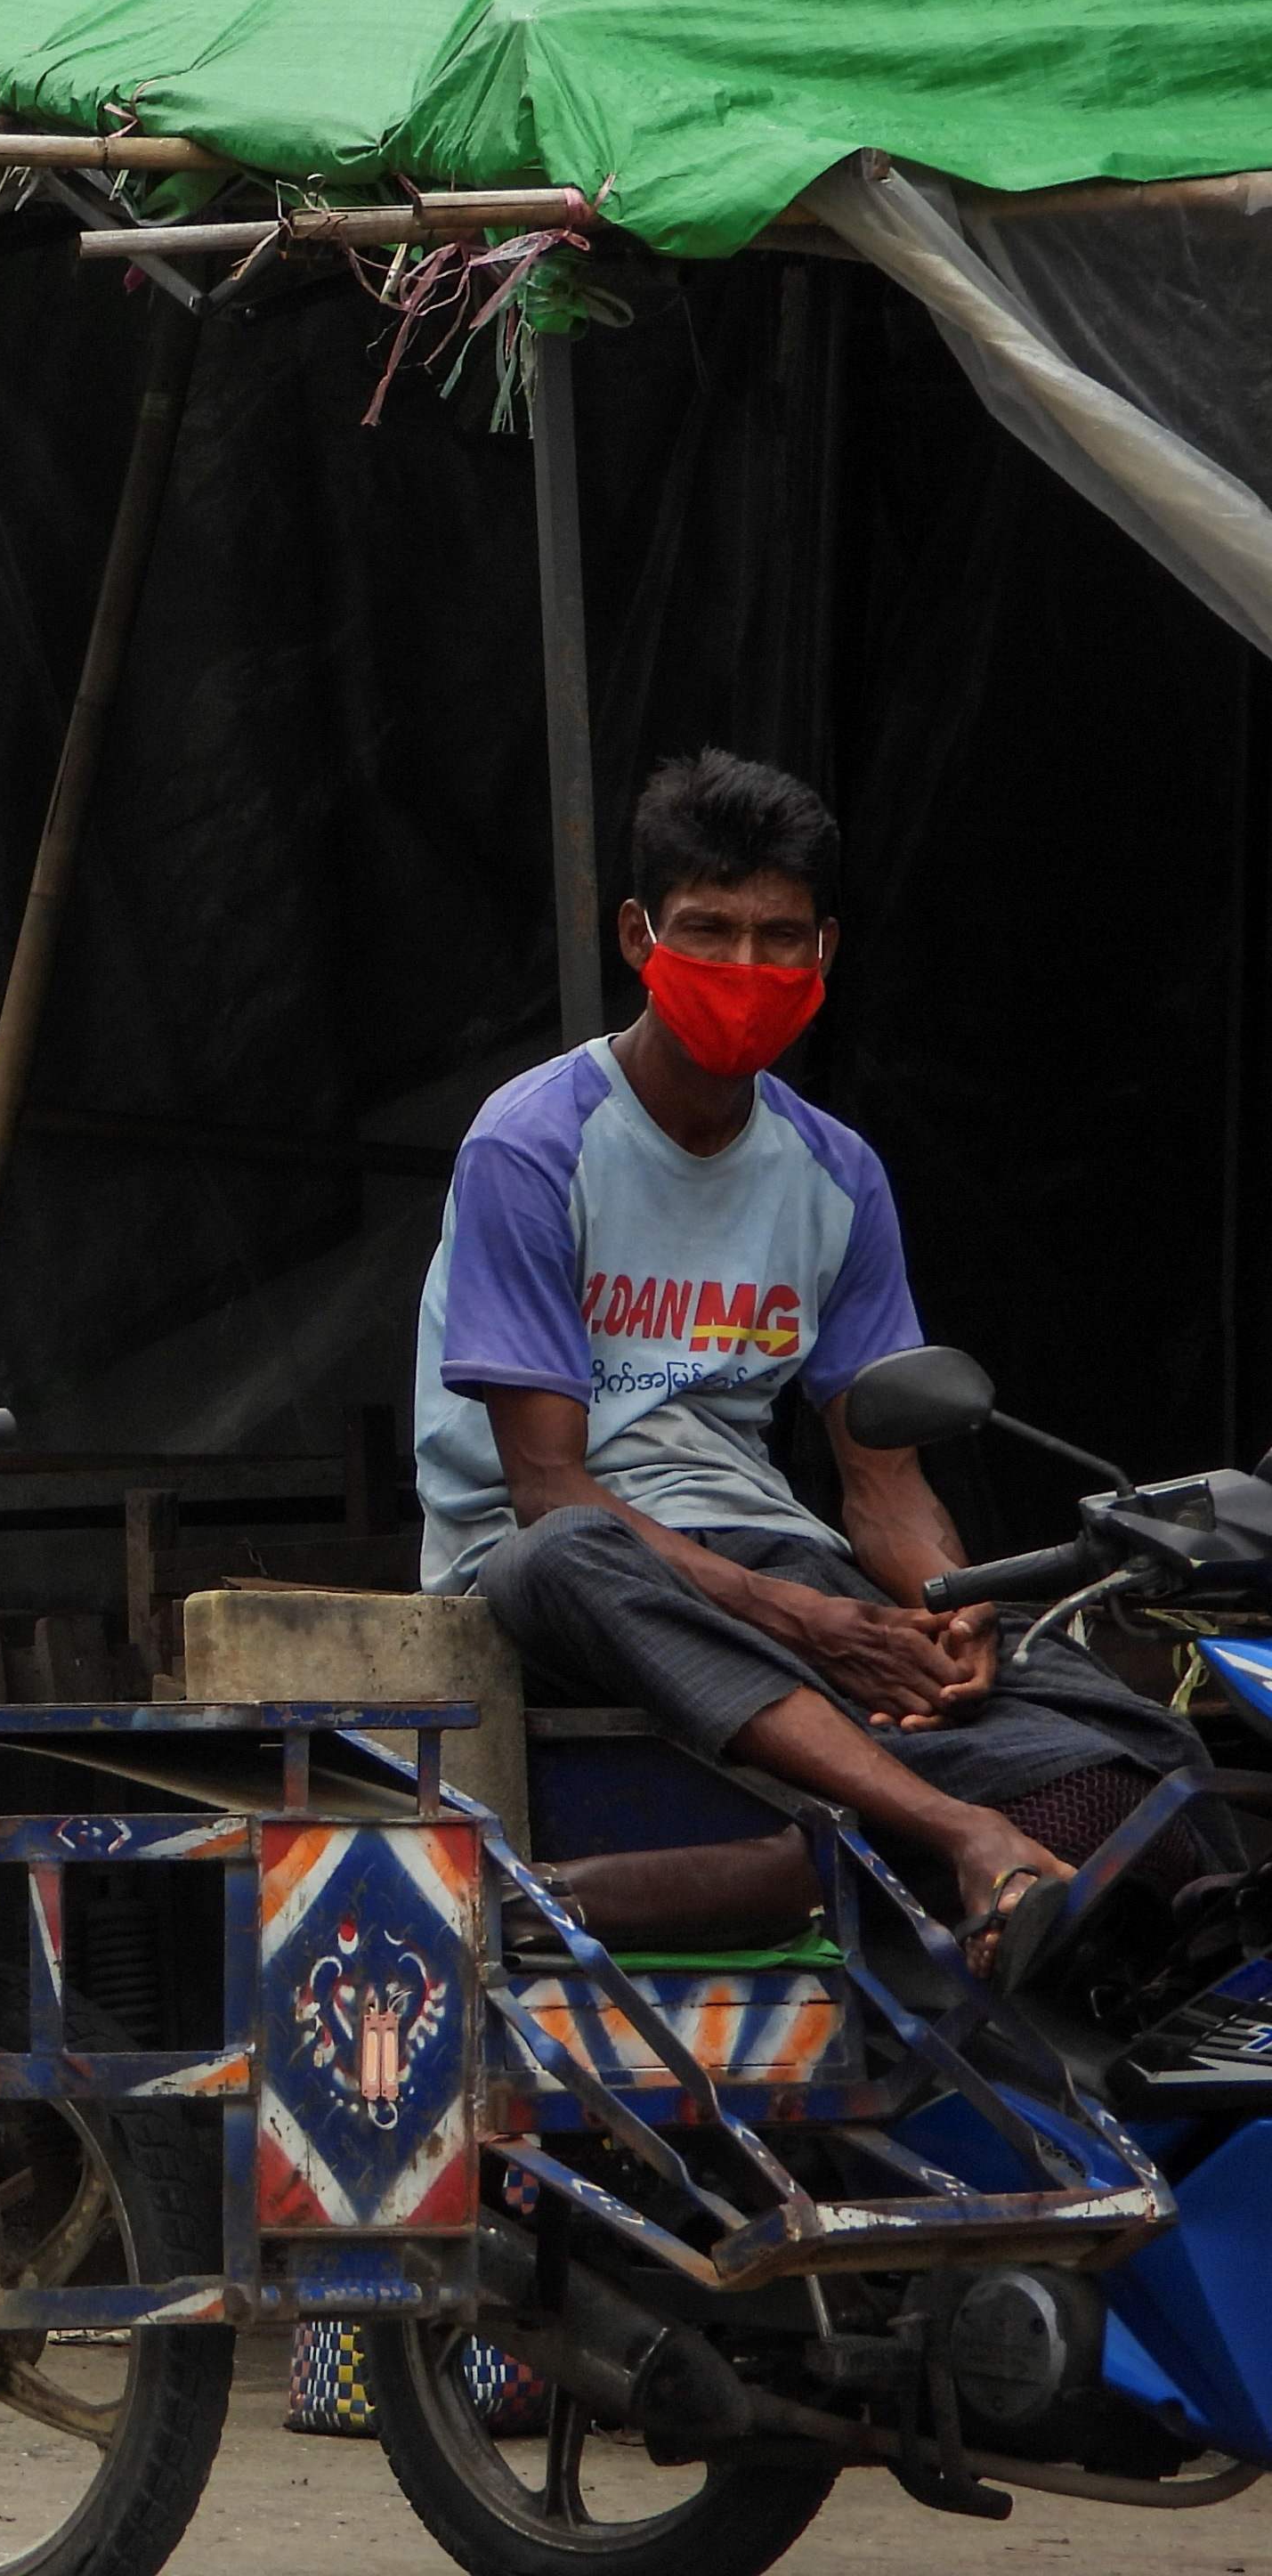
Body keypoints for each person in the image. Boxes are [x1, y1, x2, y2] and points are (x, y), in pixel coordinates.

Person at [412, 746, 1208, 1971]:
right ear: (639, 936)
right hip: (560, 1575)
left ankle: (783, 1879)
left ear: (823, 953)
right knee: (568, 1549)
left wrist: (947, 1614)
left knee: (1155, 1745)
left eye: (777, 938)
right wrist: (817, 1625)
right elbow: (548, 1490)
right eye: (708, 931)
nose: (744, 971)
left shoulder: (836, 1174)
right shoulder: (533, 1146)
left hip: (772, 1563)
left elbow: (883, 1488)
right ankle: (953, 1833)